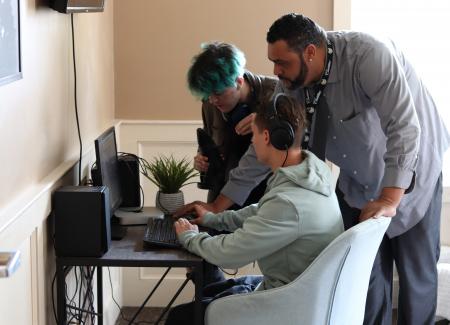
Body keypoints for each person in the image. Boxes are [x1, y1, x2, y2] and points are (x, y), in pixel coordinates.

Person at [206, 13, 449, 325]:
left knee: (417, 280)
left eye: (282, 62)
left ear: (310, 52)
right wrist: (217, 205)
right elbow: (265, 146)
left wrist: (389, 199)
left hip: (413, 173)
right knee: (365, 282)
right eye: (273, 62)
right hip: (358, 183)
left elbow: (404, 129)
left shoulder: (369, 56)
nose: (275, 72)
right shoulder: (291, 84)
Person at [165, 94, 343, 325]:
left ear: (267, 136)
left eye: (254, 136)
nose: (253, 143)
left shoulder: (290, 203)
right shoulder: (310, 175)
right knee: (212, 292)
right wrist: (213, 219)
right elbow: (262, 211)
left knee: (181, 317)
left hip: (289, 303)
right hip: (301, 291)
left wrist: (189, 237)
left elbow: (229, 254)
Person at [180, 42, 277, 214]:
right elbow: (211, 138)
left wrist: (267, 122)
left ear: (239, 82)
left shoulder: (275, 95)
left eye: (218, 93)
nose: (212, 100)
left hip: (266, 199)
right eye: (207, 94)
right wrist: (201, 159)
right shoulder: (210, 101)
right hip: (222, 194)